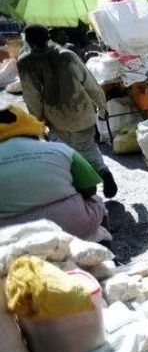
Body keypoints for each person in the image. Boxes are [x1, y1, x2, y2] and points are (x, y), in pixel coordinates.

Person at [17, 23, 117, 198]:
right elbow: (90, 83)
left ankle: (87, 186)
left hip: (57, 118)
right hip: (82, 111)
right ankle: (102, 170)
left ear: (29, 42)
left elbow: (33, 99)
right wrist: (102, 106)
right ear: (48, 38)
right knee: (88, 146)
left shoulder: (25, 63)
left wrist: (38, 123)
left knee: (68, 153)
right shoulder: (67, 55)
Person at [0, 104, 107, 240]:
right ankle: (107, 248)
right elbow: (90, 190)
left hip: (12, 235)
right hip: (71, 225)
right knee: (96, 201)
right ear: (32, 128)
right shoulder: (61, 149)